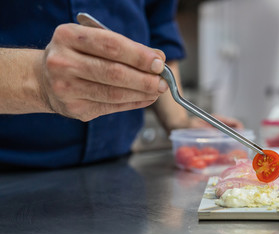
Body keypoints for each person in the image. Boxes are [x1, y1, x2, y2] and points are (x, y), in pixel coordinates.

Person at [0, 0, 242, 168]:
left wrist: (180, 122)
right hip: (12, 172)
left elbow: (158, 25)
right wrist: (37, 79)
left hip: (117, 169)